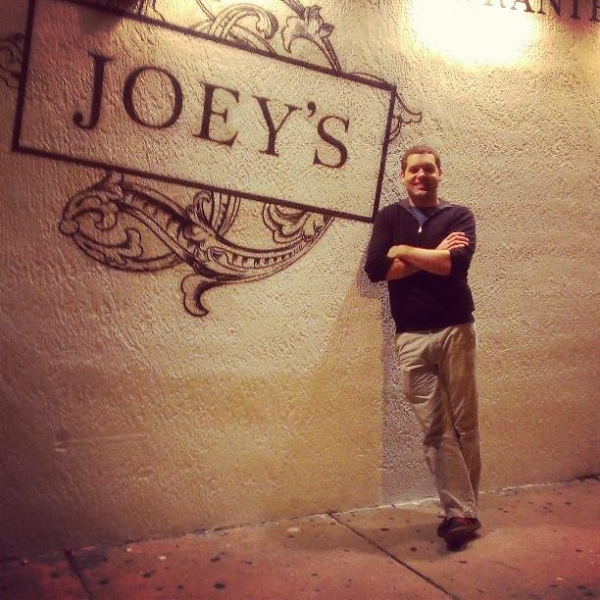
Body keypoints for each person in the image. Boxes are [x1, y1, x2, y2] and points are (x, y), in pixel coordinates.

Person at [364, 144, 482, 549]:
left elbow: (454, 266)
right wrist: (434, 254)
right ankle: (463, 512)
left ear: (439, 174)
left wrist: (405, 251)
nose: (421, 175)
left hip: (456, 329)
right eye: (413, 169)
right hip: (411, 336)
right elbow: (377, 269)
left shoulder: (459, 215)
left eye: (428, 169)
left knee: (464, 424)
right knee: (434, 426)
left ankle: (460, 513)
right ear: (403, 176)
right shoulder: (389, 217)